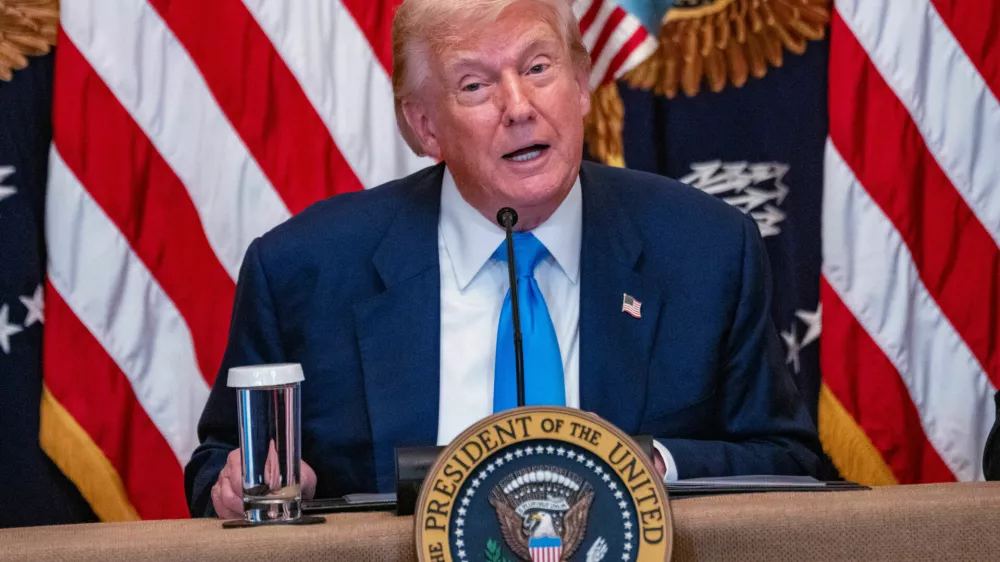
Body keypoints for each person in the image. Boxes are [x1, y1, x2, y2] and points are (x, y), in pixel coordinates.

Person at [185, 0, 822, 519]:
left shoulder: (706, 250)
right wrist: (242, 482)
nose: (519, 106)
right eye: (475, 84)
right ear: (425, 126)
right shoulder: (305, 270)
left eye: (539, 67)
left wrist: (651, 465)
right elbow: (218, 462)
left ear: (581, 84)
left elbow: (787, 463)